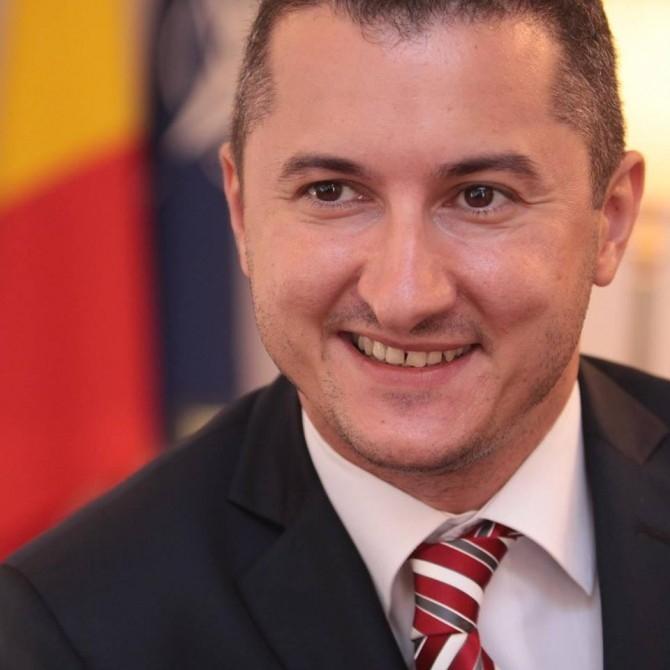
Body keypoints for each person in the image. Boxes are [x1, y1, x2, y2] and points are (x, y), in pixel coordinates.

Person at [1, 1, 669, 668]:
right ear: (241, 212)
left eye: (480, 196)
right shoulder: (70, 627)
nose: (403, 298)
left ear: (610, 219)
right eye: (330, 192)